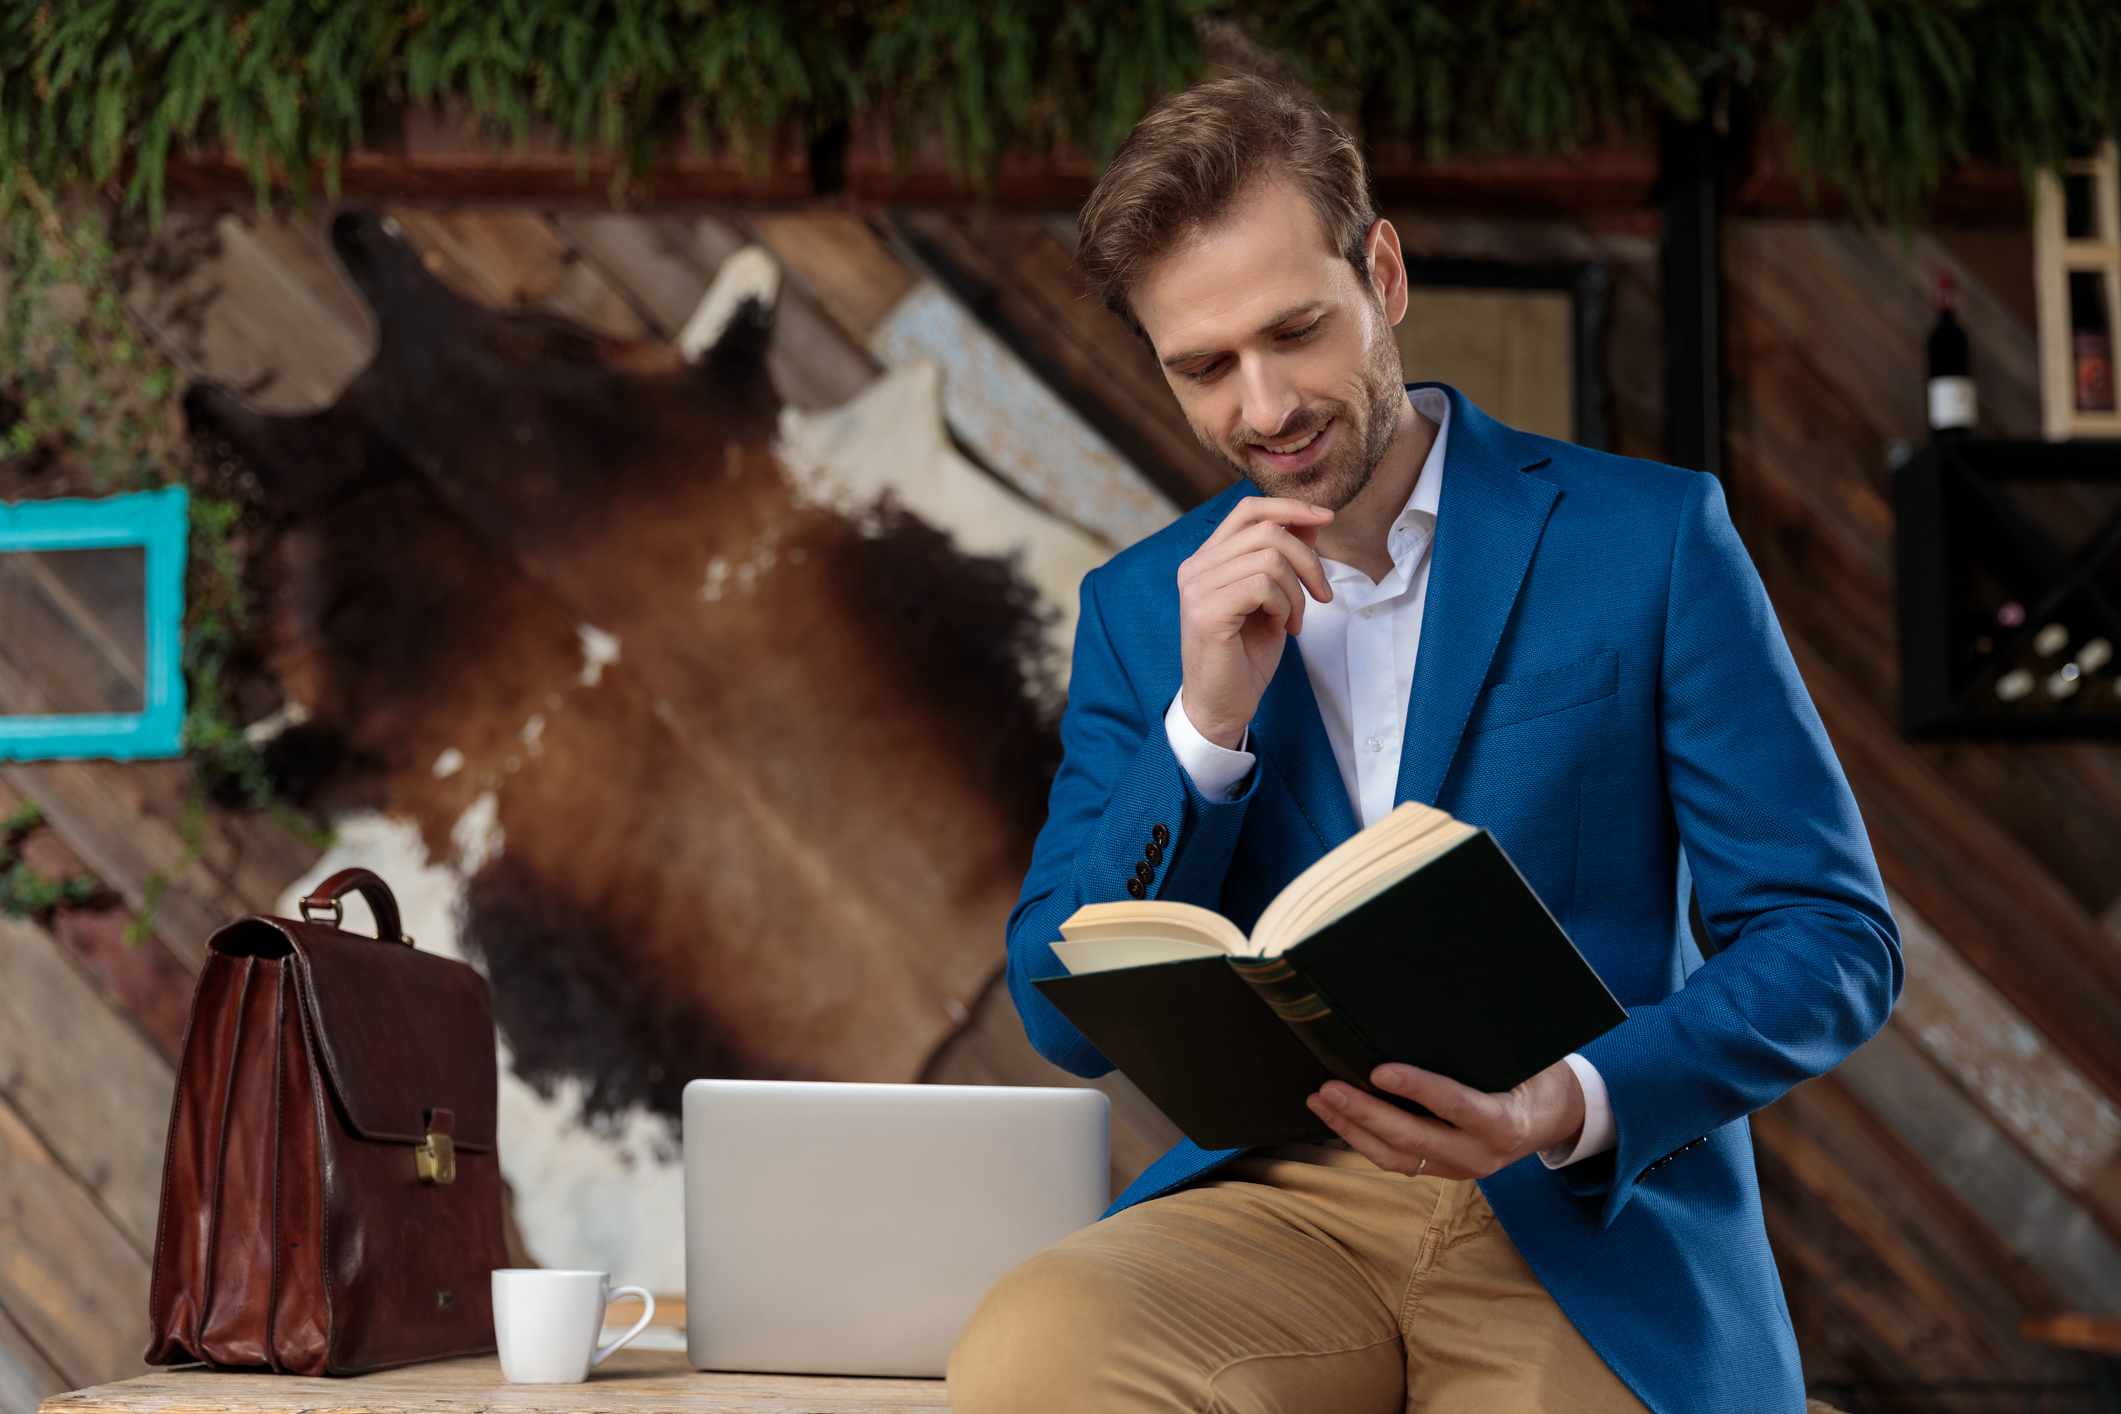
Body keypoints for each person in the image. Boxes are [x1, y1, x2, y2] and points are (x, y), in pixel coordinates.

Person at [946, 75, 1900, 1414]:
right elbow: (1059, 1013)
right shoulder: (1142, 610)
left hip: (1582, 1207)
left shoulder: (1651, 538)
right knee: (1029, 1348)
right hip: (1285, 1206)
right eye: (1203, 367)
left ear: (1382, 275)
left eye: (1295, 331)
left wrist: (1564, 1099)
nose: (1264, 407)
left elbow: (1832, 937)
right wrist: (1202, 727)